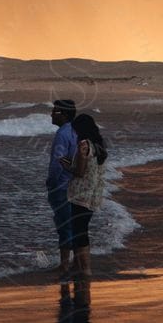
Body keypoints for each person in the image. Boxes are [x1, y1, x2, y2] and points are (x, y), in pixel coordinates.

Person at [63, 111, 108, 278]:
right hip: (93, 193)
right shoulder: (99, 145)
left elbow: (79, 171)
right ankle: (80, 266)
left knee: (79, 231)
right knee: (82, 229)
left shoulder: (83, 145)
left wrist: (65, 163)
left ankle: (85, 268)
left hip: (80, 194)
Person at [47, 98, 79, 272]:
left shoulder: (62, 134)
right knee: (73, 225)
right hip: (75, 184)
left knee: (63, 225)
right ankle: (76, 261)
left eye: (55, 111)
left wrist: (51, 183)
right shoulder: (76, 131)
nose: (51, 114)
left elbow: (57, 163)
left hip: (62, 186)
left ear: (64, 115)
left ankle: (65, 264)